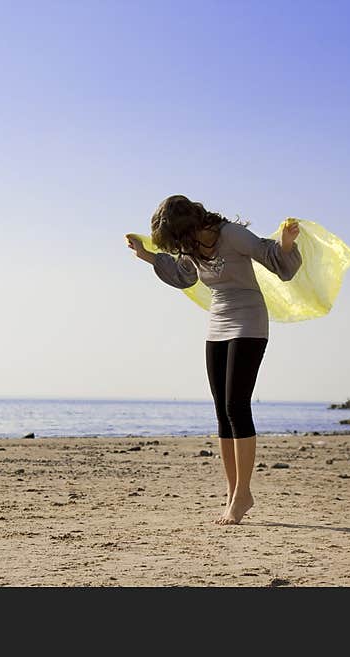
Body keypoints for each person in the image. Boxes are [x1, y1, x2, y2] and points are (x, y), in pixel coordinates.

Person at [125, 195, 302, 525]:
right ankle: (234, 491)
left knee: (237, 405)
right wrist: (147, 255)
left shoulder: (232, 234)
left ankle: (242, 494)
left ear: (191, 225)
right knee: (222, 410)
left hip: (249, 318)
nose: (181, 247)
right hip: (218, 321)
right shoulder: (190, 246)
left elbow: (271, 256)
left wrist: (288, 244)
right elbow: (184, 275)